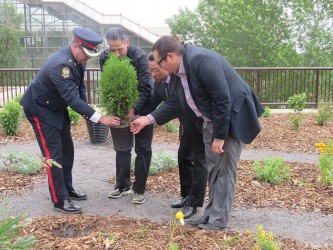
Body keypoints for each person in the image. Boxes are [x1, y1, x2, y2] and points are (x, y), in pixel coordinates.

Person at [130, 35, 265, 230]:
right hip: (212, 120)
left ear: (170, 57)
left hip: (231, 118)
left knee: (224, 171)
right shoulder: (179, 72)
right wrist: (147, 119)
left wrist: (220, 136)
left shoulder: (201, 61)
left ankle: (218, 222)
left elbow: (222, 100)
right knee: (214, 169)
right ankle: (210, 216)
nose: (158, 69)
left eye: (158, 63)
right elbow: (176, 103)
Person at [20, 27, 121, 214]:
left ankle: (67, 188)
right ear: (75, 45)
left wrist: (88, 113)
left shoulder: (78, 60)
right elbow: (72, 100)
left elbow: (80, 88)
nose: (88, 58)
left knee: (67, 151)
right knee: (54, 156)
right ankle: (60, 200)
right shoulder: (62, 66)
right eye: (87, 53)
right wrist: (100, 119)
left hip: (56, 107)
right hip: (40, 108)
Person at [145, 53, 207, 219]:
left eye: (156, 70)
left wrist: (148, 120)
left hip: (199, 124)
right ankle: (186, 197)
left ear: (165, 66)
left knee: (200, 160)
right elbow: (152, 102)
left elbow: (173, 104)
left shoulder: (178, 79)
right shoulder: (159, 84)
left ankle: (194, 203)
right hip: (186, 125)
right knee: (183, 156)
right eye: (150, 70)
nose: (153, 74)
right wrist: (136, 114)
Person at [99, 27, 153, 204]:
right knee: (122, 148)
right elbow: (109, 85)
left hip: (142, 109)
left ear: (127, 41)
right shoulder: (105, 57)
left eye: (119, 49)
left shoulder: (139, 57)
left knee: (142, 149)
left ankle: (139, 189)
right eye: (112, 49)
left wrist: (134, 109)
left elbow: (146, 88)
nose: (116, 54)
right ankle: (122, 185)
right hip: (120, 109)